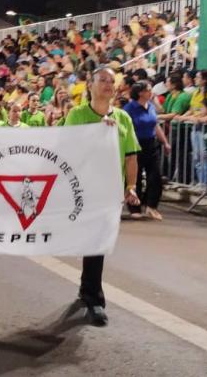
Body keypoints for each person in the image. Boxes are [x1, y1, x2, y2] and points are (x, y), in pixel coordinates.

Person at [64, 66, 140, 326]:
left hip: (110, 192)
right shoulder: (77, 115)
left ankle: (90, 294)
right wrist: (99, 133)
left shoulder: (123, 118)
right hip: (83, 189)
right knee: (91, 242)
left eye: (111, 80)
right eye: (102, 80)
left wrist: (131, 186)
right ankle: (91, 295)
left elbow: (131, 156)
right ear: (90, 85)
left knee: (98, 243)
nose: (108, 84)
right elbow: (69, 149)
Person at [124, 81, 171, 220]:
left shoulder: (150, 106)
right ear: (140, 93)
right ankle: (134, 207)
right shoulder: (129, 108)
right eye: (149, 90)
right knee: (135, 177)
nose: (152, 92)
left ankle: (151, 206)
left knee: (156, 176)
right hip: (135, 145)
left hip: (151, 144)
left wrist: (165, 142)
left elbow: (155, 125)